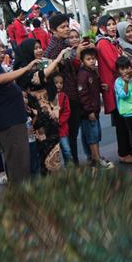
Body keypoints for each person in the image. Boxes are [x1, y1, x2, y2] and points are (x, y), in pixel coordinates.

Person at [0, 35, 35, 184]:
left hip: (13, 119)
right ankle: (20, 193)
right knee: (17, 159)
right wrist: (26, 68)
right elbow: (0, 79)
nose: (2, 50)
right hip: (8, 122)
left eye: (3, 46)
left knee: (20, 159)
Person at [15, 38, 68, 174]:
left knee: (54, 149)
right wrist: (57, 59)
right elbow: (37, 78)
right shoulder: (22, 69)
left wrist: (59, 61)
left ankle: (55, 179)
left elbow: (55, 75)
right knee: (41, 151)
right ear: (27, 51)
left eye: (40, 47)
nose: (39, 50)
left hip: (50, 114)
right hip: (37, 118)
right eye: (35, 48)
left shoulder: (42, 63)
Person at [45, 14, 84, 165]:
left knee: (72, 134)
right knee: (69, 135)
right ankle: (73, 165)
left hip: (71, 93)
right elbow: (52, 74)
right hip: (64, 97)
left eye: (67, 26)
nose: (67, 29)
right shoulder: (54, 49)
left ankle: (74, 164)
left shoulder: (65, 44)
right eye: (63, 27)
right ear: (53, 30)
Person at [96, 15, 130, 161]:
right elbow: (115, 64)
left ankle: (127, 152)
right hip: (114, 88)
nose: (112, 27)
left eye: (113, 24)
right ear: (102, 28)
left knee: (124, 122)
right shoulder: (103, 43)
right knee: (121, 123)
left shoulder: (112, 41)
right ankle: (124, 154)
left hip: (117, 86)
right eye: (108, 24)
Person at [76, 46, 114, 169]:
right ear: (82, 61)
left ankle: (94, 158)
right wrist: (89, 111)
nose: (92, 61)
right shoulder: (83, 75)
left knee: (94, 135)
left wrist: (101, 87)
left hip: (95, 109)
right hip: (89, 112)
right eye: (88, 59)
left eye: (93, 58)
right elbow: (83, 94)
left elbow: (93, 88)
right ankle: (97, 159)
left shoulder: (92, 72)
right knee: (93, 136)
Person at [52, 74, 73, 165]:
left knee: (66, 149)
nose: (59, 85)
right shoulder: (49, 96)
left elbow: (67, 111)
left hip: (62, 129)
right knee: (54, 152)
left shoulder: (64, 96)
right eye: (56, 83)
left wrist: (60, 121)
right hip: (52, 129)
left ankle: (69, 167)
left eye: (61, 83)